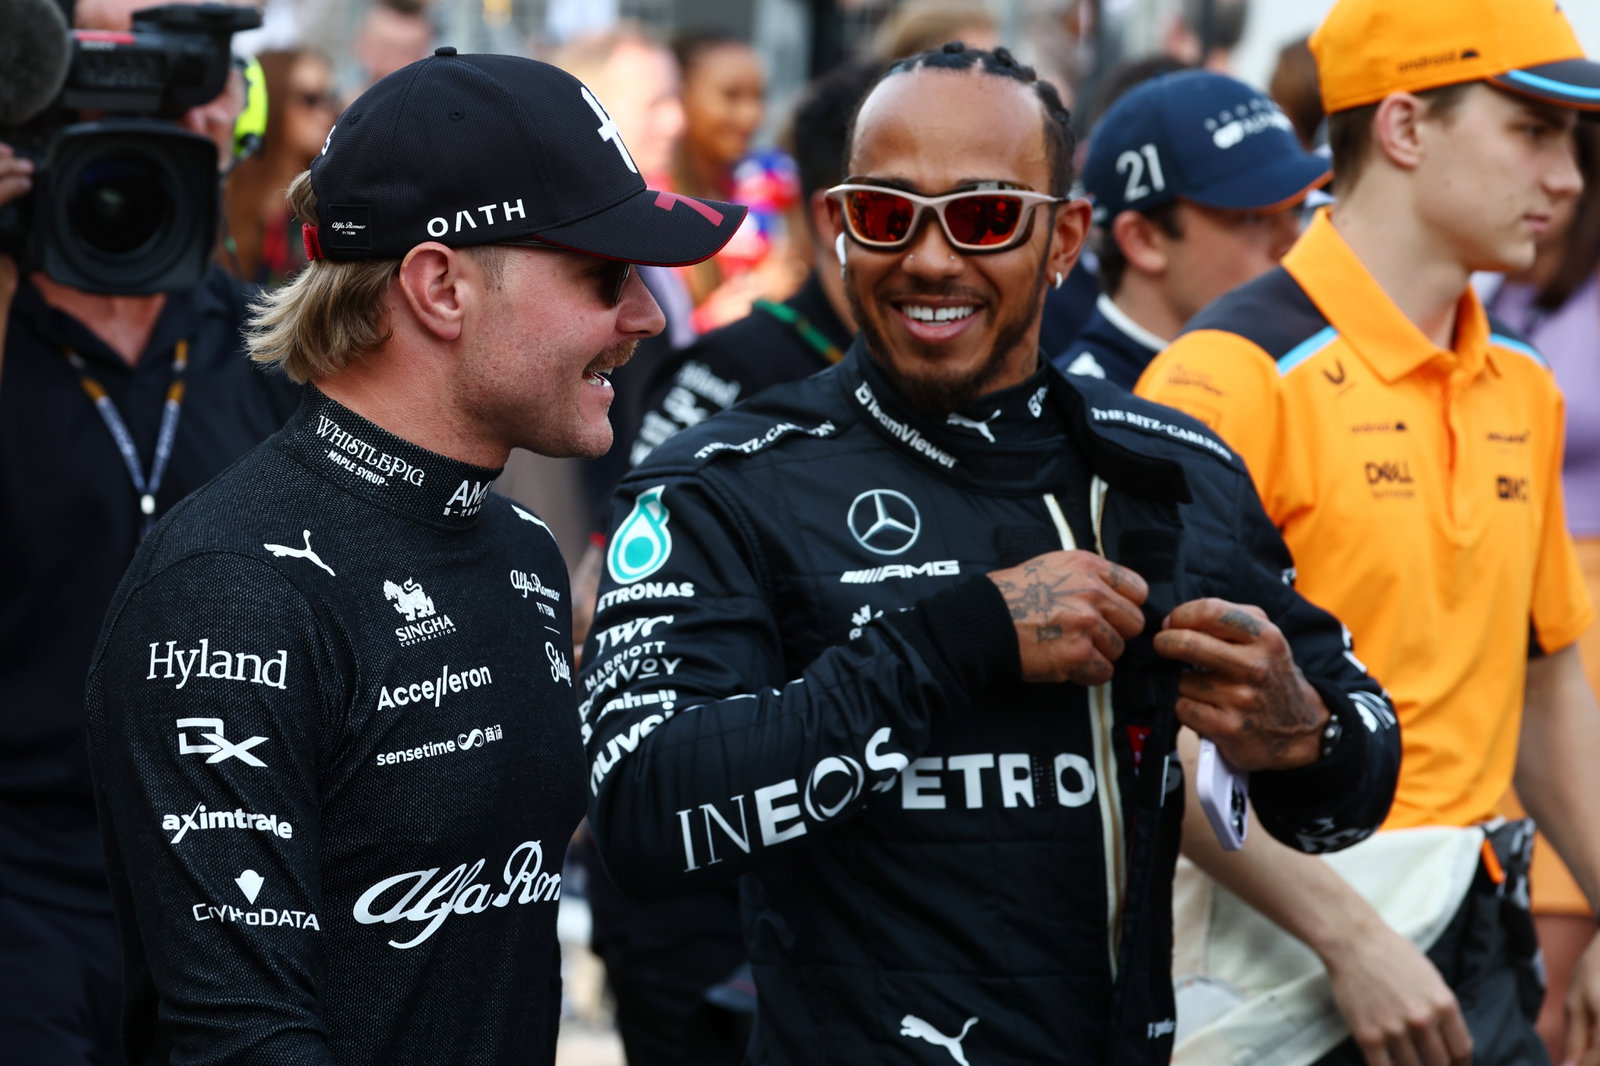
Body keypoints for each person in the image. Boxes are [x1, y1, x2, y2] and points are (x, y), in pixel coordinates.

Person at [580, 42, 1400, 1065]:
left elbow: (1352, 785)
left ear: (1064, 239)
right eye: (888, 214)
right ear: (837, 226)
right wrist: (953, 642)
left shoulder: (1174, 464)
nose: (930, 258)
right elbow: (640, 817)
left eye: (983, 216)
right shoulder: (730, 480)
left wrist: (1302, 735)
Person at [82, 49, 745, 1065]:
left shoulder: (522, 549)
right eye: (604, 274)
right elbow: (242, 1042)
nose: (647, 316)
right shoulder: (229, 592)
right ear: (440, 286)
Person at [1137, 1, 1600, 1063]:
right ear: (1401, 128)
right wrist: (1352, 940)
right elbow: (1151, 731)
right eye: (1532, 130)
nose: (1567, 177)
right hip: (1281, 968)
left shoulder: (1520, 385)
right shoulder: (1226, 376)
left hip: (1473, 939)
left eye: (1567, 140)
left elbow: (1541, 682)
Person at [0, 0, 298, 1061]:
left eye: (178, 64)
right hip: (23, 880)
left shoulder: (272, 348)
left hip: (226, 873)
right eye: (96, 61)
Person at [1482, 117, 1600, 1063]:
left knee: (1554, 1001)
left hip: (1581, 634)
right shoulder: (1497, 284)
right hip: (1507, 611)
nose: (1549, 177)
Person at [1055, 69, 1327, 389]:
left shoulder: (1301, 373)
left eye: (1297, 209)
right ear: (1143, 241)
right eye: (1253, 217)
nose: (1296, 241)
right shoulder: (1076, 420)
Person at [672, 29, 802, 332]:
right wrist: (716, 317)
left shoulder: (773, 177)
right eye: (731, 96)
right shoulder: (649, 198)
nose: (752, 115)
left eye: (760, 96)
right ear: (680, 94)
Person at [221, 47, 339, 287]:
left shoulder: (329, 205)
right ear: (273, 100)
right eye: (311, 99)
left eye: (329, 98)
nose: (325, 112)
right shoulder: (223, 198)